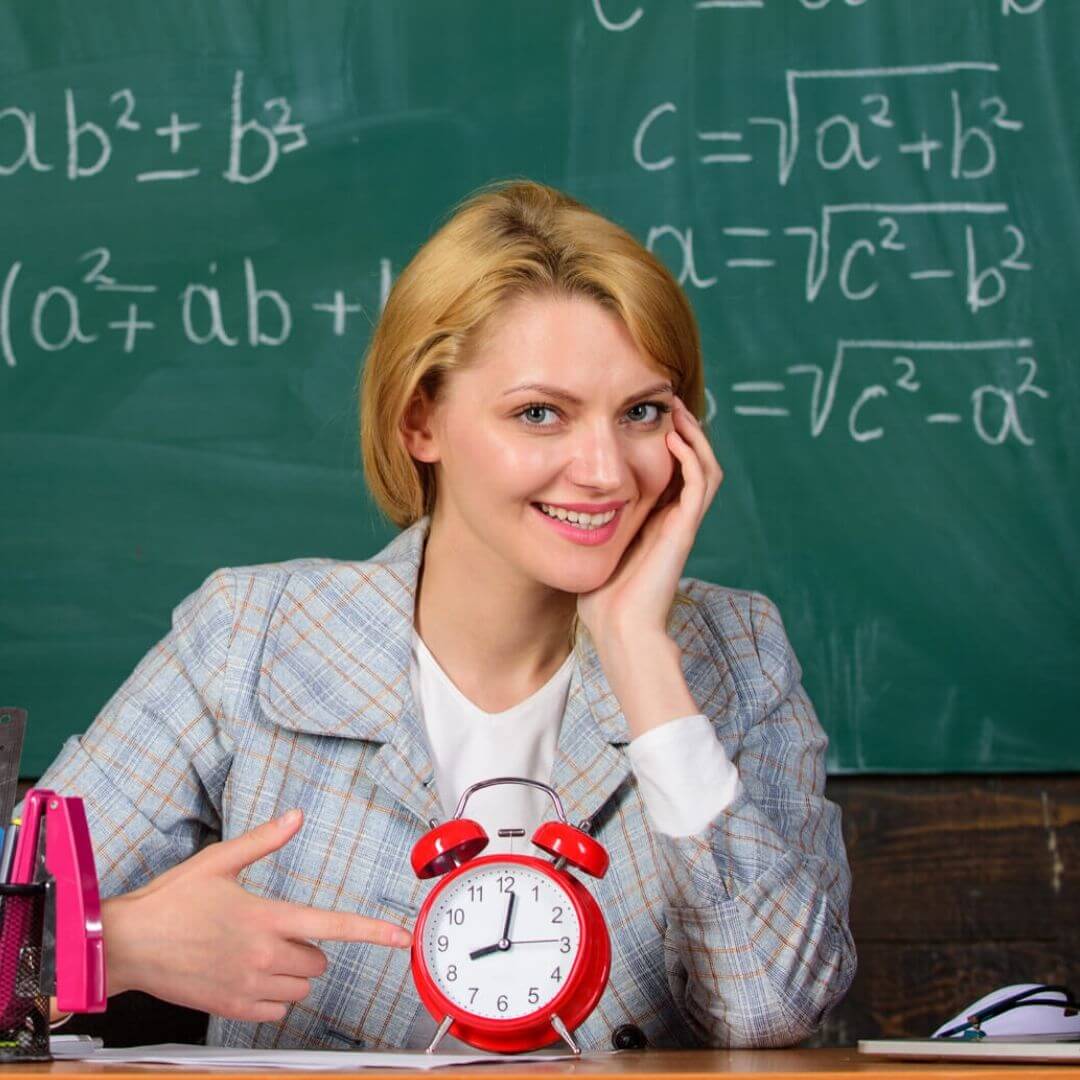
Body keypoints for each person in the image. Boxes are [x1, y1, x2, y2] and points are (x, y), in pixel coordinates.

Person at [30, 179, 855, 1050]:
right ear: (420, 419)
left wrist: (638, 653)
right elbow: (13, 940)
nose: (607, 471)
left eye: (641, 412)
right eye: (541, 414)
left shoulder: (734, 653)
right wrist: (111, 945)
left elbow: (775, 1011)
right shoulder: (253, 634)